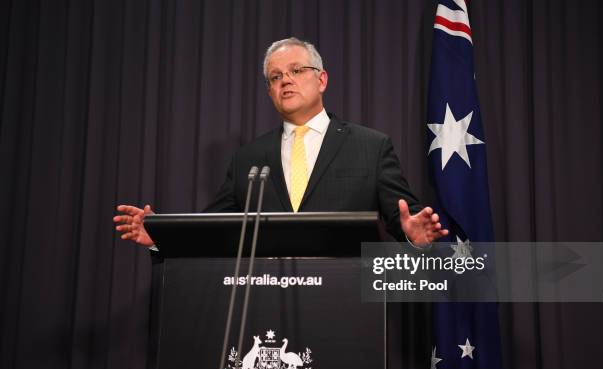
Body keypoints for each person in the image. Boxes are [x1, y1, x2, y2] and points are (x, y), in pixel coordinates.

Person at [114, 37, 448, 247]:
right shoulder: (249, 158)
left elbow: (403, 215)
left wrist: (412, 234)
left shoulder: (371, 146)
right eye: (275, 77)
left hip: (347, 304)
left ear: (321, 80)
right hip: (266, 301)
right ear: (269, 91)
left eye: (296, 70)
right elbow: (212, 229)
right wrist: (161, 236)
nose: (285, 80)